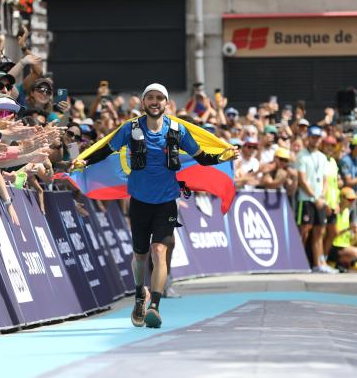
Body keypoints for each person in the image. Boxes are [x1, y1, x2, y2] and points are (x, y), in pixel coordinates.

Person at [73, 83, 236, 329]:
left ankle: (155, 307)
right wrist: (84, 159)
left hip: (166, 202)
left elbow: (201, 157)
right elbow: (107, 149)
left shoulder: (177, 130)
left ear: (166, 103)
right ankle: (140, 294)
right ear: (143, 102)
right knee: (140, 256)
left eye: (160, 98)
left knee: (160, 251)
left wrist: (221, 157)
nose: (155, 101)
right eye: (150, 97)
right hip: (139, 201)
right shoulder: (131, 128)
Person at [295, 126, 334, 273]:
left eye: (318, 138)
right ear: (309, 138)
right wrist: (314, 197)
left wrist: (322, 197)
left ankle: (319, 264)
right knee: (304, 232)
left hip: (319, 200)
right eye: (313, 137)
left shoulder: (322, 157)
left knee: (319, 232)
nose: (316, 140)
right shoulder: (302, 155)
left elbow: (325, 180)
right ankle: (298, 262)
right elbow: (302, 181)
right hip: (306, 200)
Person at [327, 187, 357, 273]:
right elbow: (334, 234)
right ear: (342, 199)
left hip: (344, 243)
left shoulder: (347, 212)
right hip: (334, 246)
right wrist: (349, 229)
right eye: (350, 199)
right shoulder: (335, 213)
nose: (352, 202)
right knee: (355, 252)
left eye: (354, 199)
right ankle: (333, 262)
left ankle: (351, 264)